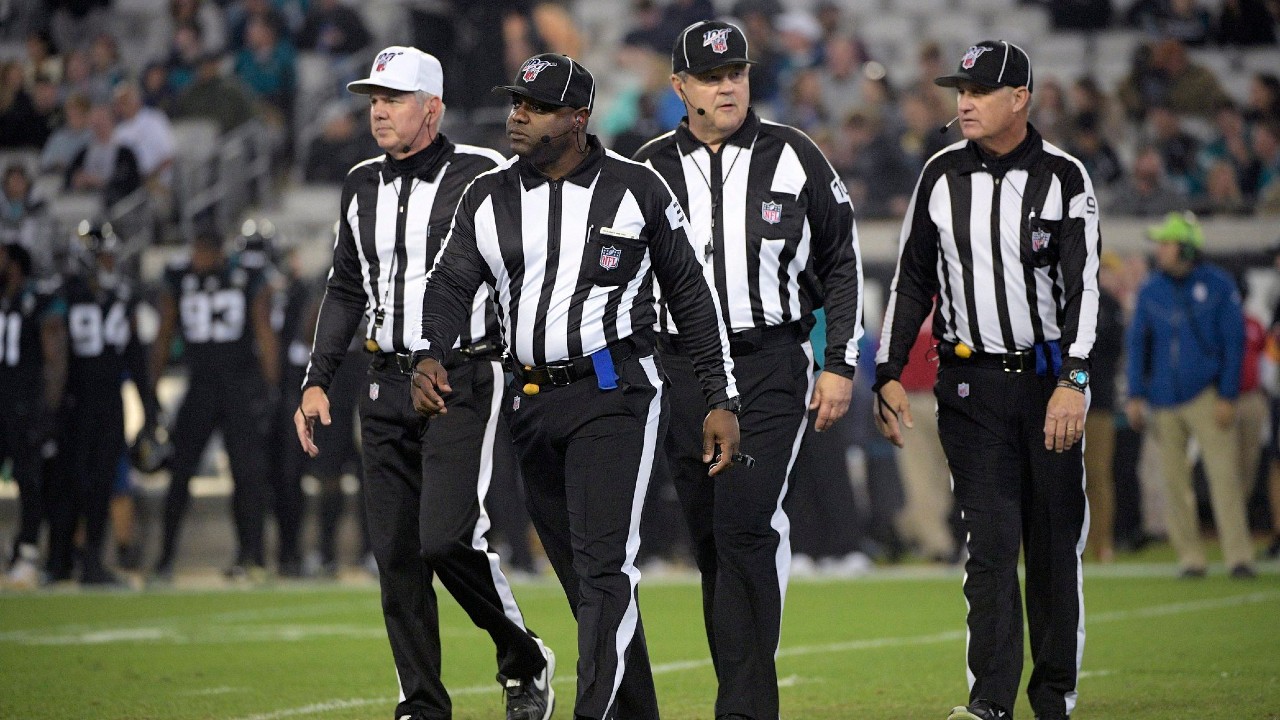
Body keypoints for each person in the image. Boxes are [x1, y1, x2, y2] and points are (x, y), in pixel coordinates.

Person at [408, 52, 741, 720]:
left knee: (601, 572)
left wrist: (719, 396)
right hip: (529, 402)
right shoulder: (490, 194)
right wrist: (429, 353)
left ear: (578, 118)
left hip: (612, 393)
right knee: (584, 579)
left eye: (533, 107)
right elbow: (448, 284)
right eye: (515, 104)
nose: (516, 117)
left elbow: (692, 299)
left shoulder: (638, 188)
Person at [293, 46, 554, 720]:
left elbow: (529, 266)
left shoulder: (486, 173)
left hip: (460, 375)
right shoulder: (358, 182)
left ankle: (522, 655)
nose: (378, 110)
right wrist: (317, 379)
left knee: (445, 539)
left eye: (394, 99)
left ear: (431, 108)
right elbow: (345, 286)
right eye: (373, 99)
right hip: (380, 379)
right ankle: (421, 703)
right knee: (397, 558)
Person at [630, 20, 863, 720]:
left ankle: (745, 706)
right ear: (680, 87)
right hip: (681, 373)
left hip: (767, 362)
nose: (727, 84)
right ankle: (741, 692)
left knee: (743, 526)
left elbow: (841, 260)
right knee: (709, 539)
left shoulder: (796, 155)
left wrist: (838, 361)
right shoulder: (648, 168)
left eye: (736, 71)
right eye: (710, 75)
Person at [872, 40, 1100, 720]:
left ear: (1020, 98)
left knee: (1053, 545)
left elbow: (1084, 288)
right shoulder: (940, 175)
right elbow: (912, 277)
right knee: (991, 546)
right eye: (959, 90)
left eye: (979, 91)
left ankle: (1054, 692)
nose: (963, 102)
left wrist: (1076, 378)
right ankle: (990, 700)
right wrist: (887, 370)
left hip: (1045, 385)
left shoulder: (1063, 178)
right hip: (969, 385)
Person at [1124, 211, 1256, 579]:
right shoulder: (1151, 289)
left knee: (1223, 477)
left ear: (1185, 247)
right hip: (1163, 398)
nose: (1159, 250)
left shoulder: (1217, 284)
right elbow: (1137, 345)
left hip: (1205, 396)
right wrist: (1135, 393)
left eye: (1166, 243)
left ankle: (1238, 555)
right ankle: (1191, 558)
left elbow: (1234, 344)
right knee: (1173, 483)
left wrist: (1227, 394)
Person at [150, 230, 277, 581]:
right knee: (182, 472)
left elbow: (264, 332)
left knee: (245, 475)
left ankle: (249, 556)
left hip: (234, 386)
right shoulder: (204, 277)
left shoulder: (239, 277)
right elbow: (163, 334)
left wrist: (270, 388)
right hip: (209, 386)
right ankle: (165, 557)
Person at [45, 221, 158, 585]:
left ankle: (90, 559)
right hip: (73, 404)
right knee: (67, 483)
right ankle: (60, 559)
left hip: (107, 404)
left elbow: (136, 357)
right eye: (105, 258)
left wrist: (150, 408)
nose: (111, 265)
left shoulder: (120, 297)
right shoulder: (63, 294)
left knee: (100, 485)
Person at [0, 243, 66, 589]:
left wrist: (48, 411)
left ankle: (26, 554)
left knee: (30, 484)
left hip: (23, 409)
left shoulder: (37, 300)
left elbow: (54, 360)